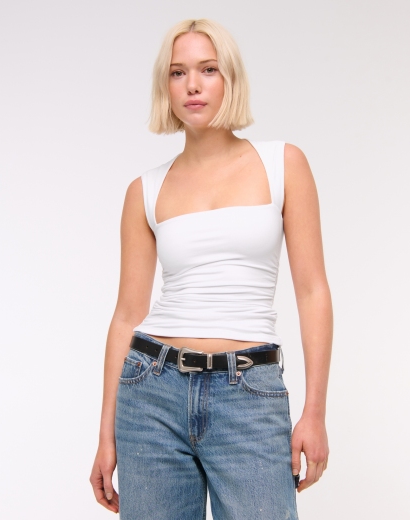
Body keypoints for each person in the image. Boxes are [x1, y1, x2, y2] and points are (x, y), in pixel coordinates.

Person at [90, 18, 332, 520]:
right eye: (178, 72)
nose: (193, 85)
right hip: (151, 391)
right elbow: (126, 314)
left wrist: (314, 412)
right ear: (166, 86)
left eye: (208, 69)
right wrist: (105, 434)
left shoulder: (283, 164)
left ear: (231, 78)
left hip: (249, 393)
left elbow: (312, 292)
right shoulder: (145, 190)